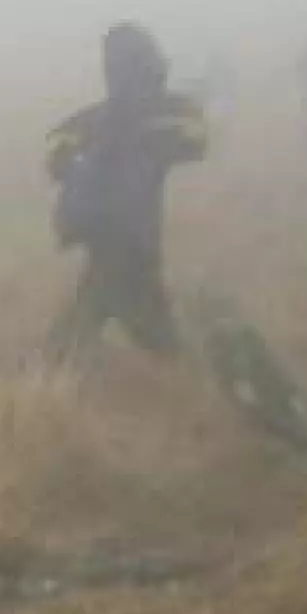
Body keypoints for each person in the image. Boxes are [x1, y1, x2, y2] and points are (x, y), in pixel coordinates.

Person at [44, 24, 207, 365]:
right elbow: (196, 141)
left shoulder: (92, 120)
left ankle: (52, 366)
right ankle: (182, 371)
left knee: (97, 300)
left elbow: (54, 157)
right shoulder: (168, 112)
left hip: (97, 230)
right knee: (147, 320)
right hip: (135, 235)